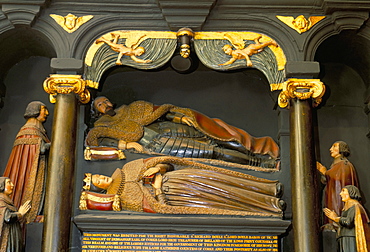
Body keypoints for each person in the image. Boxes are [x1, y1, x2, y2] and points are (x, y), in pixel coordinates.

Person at [85, 96, 280, 169]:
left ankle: (257, 156)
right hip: (159, 144)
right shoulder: (101, 128)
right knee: (213, 153)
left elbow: (160, 112)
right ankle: (260, 165)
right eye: (100, 104)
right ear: (97, 110)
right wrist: (126, 145)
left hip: (166, 128)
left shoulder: (133, 107)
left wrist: (181, 117)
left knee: (218, 138)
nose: (105, 105)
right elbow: (97, 143)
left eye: (106, 101)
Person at [81, 156, 285, 217]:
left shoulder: (129, 167)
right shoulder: (123, 198)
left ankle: (269, 189)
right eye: (97, 182)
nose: (101, 179)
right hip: (182, 196)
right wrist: (158, 188)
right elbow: (158, 208)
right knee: (226, 198)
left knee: (223, 180)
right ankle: (271, 205)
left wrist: (158, 169)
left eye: (99, 176)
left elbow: (166, 163)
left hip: (182, 176)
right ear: (100, 189)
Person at [2, 101, 50, 224]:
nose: (47, 113)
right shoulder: (30, 129)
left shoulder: (36, 130)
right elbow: (40, 149)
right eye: (44, 109)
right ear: (35, 111)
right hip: (28, 170)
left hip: (36, 166)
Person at [317, 141, 359, 230]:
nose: (330, 149)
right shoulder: (336, 165)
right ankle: (331, 222)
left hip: (338, 196)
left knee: (337, 207)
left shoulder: (345, 165)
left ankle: (336, 222)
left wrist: (324, 171)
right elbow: (331, 177)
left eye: (334, 146)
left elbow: (337, 177)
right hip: (333, 193)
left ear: (341, 149)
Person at [323, 185, 370, 252]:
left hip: (349, 237)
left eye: (343, 191)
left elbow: (348, 222)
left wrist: (336, 218)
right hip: (343, 236)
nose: (340, 194)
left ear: (351, 192)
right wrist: (335, 218)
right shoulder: (347, 207)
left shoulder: (355, 205)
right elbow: (343, 224)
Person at [0, 177, 31, 252]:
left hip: (14, 235)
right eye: (9, 183)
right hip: (8, 237)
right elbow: (7, 218)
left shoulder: (8, 202)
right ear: (1, 186)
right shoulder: (1, 201)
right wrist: (20, 214)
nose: (12, 185)